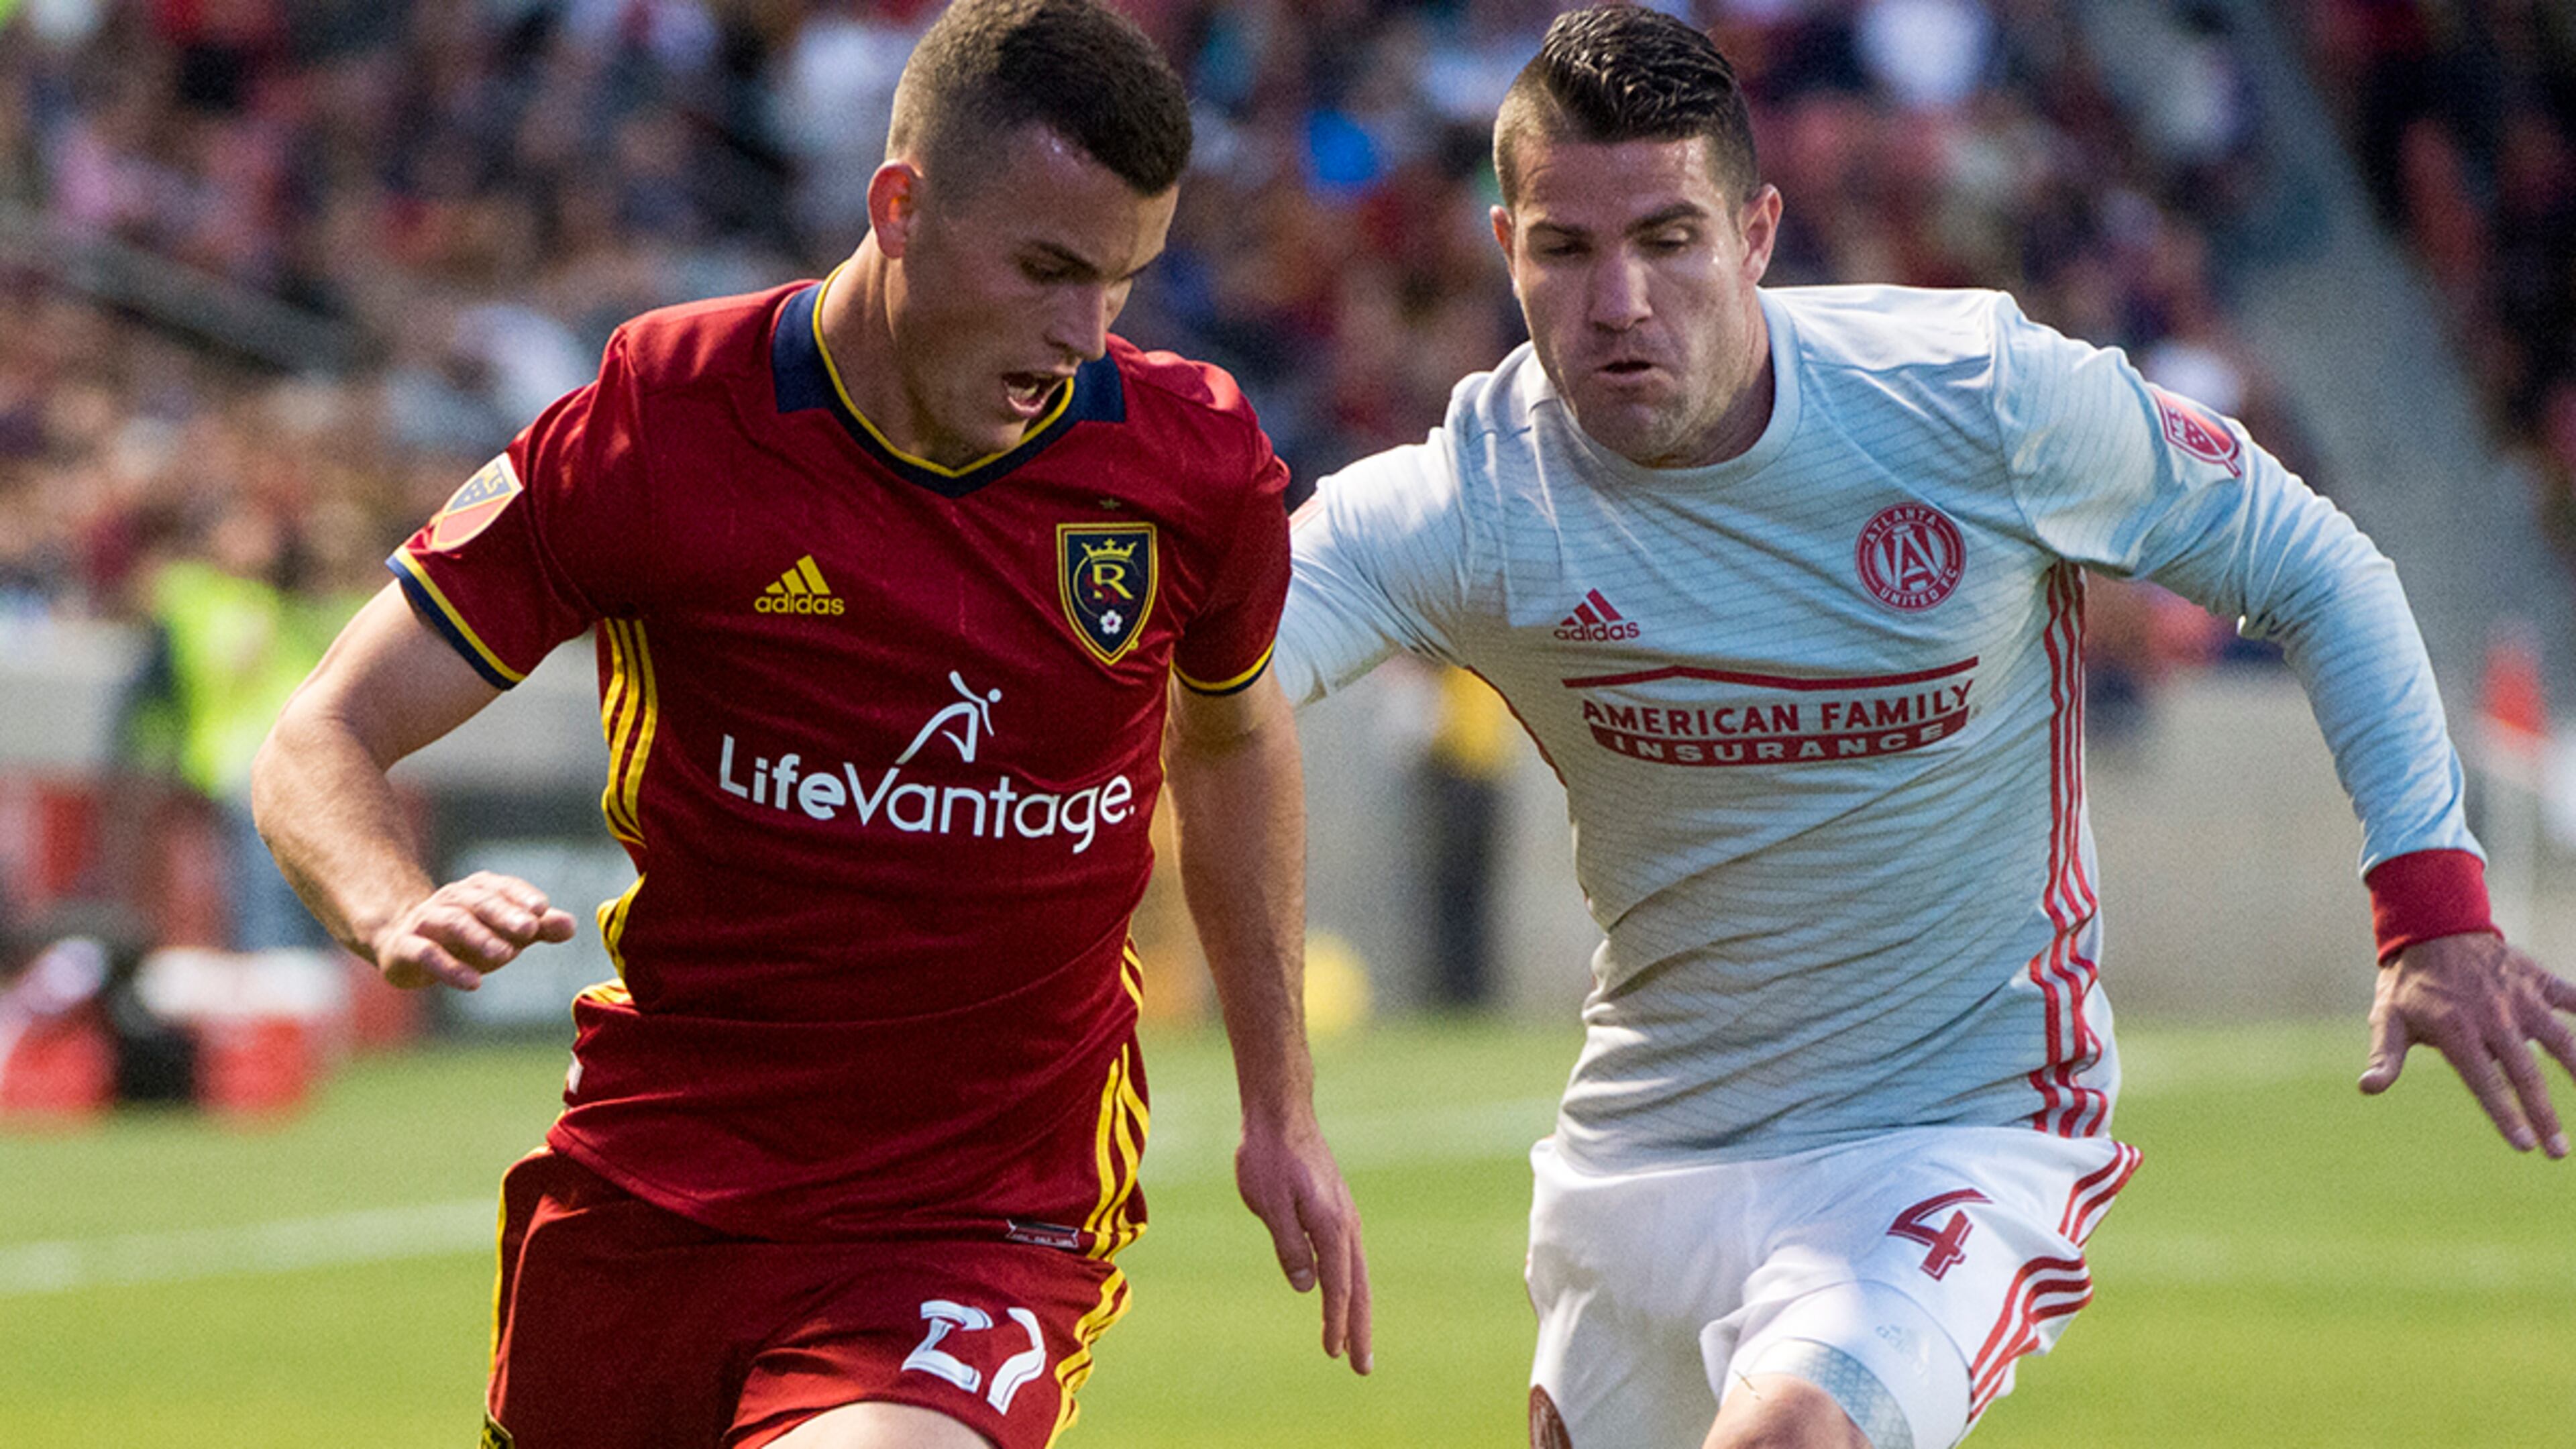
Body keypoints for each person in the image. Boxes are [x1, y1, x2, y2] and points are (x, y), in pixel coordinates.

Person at [1275, 9, 2576, 1449]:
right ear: (1506, 244)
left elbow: (2315, 564)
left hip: (1951, 1128)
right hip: (1647, 1151)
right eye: (1566, 253)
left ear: (1758, 233)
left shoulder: (1975, 401)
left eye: (1669, 237)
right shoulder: (1473, 499)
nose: (1622, 300)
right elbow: (1211, 687)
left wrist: (2433, 901)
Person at [252, 2, 1368, 1446]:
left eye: (1124, 283)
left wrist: (1281, 1103)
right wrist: (387, 904)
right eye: (1046, 269)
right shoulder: (666, 420)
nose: (1083, 336)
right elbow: (322, 733)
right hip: (655, 1193)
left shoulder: (1187, 462)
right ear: (898, 207)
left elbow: (1232, 735)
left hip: (979, 1220)